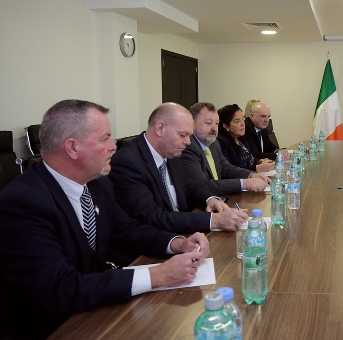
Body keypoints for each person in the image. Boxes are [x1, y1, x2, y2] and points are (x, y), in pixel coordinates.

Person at [0, 100, 210, 339]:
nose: (113, 146)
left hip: (97, 308)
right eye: (105, 139)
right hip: (52, 327)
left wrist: (178, 243)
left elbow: (127, 229)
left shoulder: (98, 183)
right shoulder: (22, 203)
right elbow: (60, 289)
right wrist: (158, 276)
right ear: (73, 148)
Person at [109, 103, 248, 234]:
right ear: (160, 128)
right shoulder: (127, 162)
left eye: (189, 135)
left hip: (184, 233)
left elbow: (190, 187)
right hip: (156, 241)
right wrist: (213, 220)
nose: (188, 142)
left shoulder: (172, 153)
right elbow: (151, 216)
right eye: (182, 135)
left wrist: (210, 199)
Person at [182, 102, 270, 197]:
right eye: (209, 123)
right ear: (192, 124)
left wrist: (250, 174)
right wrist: (244, 183)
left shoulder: (214, 143)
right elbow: (202, 185)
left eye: (216, 123)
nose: (214, 129)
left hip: (219, 198)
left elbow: (226, 168)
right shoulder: (188, 147)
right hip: (201, 202)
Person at [217, 104, 275, 172]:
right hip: (242, 178)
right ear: (226, 126)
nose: (242, 124)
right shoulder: (222, 142)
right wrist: (257, 168)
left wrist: (259, 161)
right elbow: (230, 170)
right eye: (237, 121)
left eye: (242, 119)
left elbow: (250, 158)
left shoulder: (241, 138)